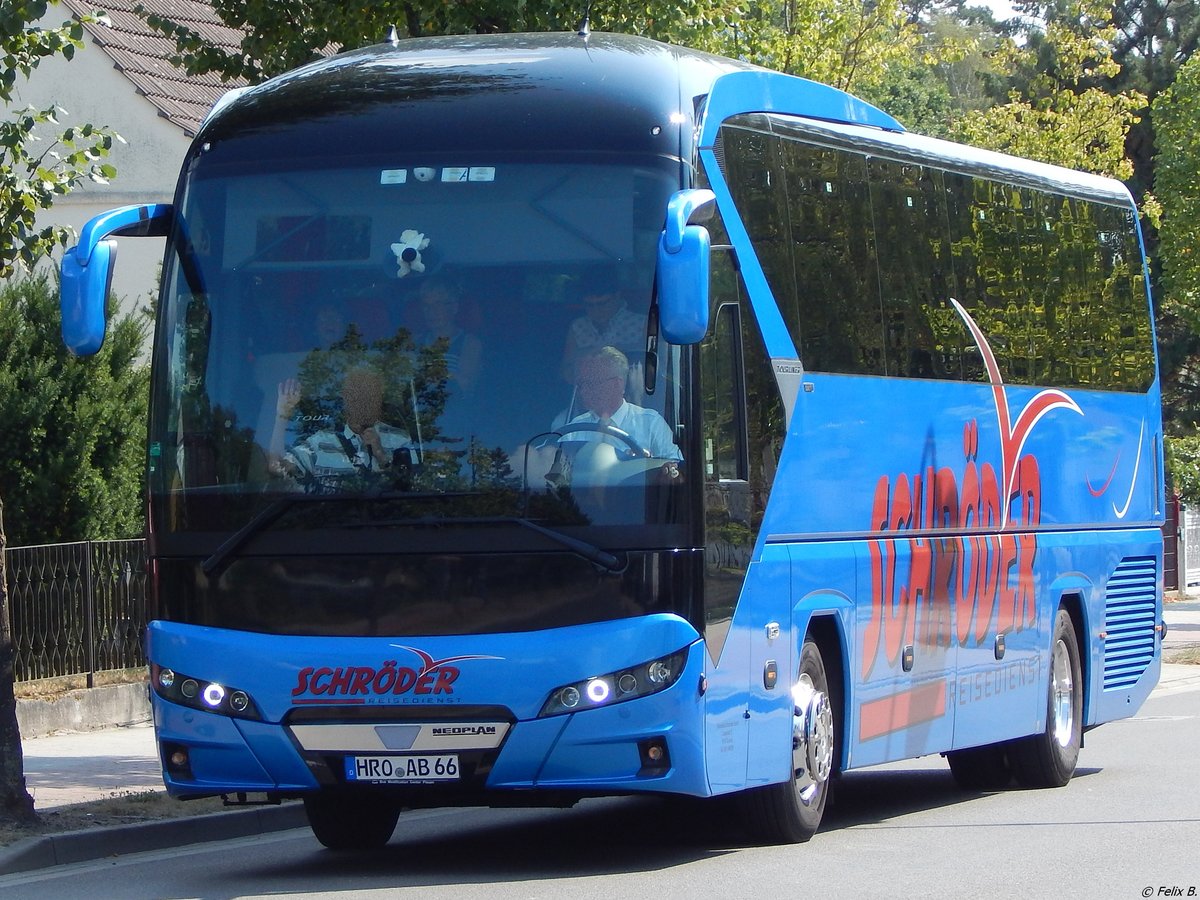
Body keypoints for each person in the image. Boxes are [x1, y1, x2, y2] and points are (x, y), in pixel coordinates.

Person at [269, 368, 415, 489]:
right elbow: (277, 468)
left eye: (370, 394)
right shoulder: (319, 443)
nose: (363, 401)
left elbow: (414, 486)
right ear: (345, 399)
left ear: (379, 400)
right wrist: (282, 415)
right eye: (356, 394)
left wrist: (381, 456)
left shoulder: (400, 440)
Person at [553, 346, 682, 462]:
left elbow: (674, 469)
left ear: (617, 384)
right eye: (582, 384)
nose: (583, 391)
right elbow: (558, 476)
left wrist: (650, 466)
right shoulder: (575, 428)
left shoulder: (651, 424)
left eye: (591, 383)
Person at [560, 268, 645, 385]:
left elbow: (653, 368)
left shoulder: (642, 324)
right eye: (590, 305)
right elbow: (566, 370)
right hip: (588, 393)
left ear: (617, 295)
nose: (596, 310)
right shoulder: (577, 326)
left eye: (602, 303)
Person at [416, 277, 482, 396]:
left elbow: (465, 385)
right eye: (427, 306)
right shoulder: (414, 342)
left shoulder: (469, 343)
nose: (431, 312)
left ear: (454, 307)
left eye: (438, 305)